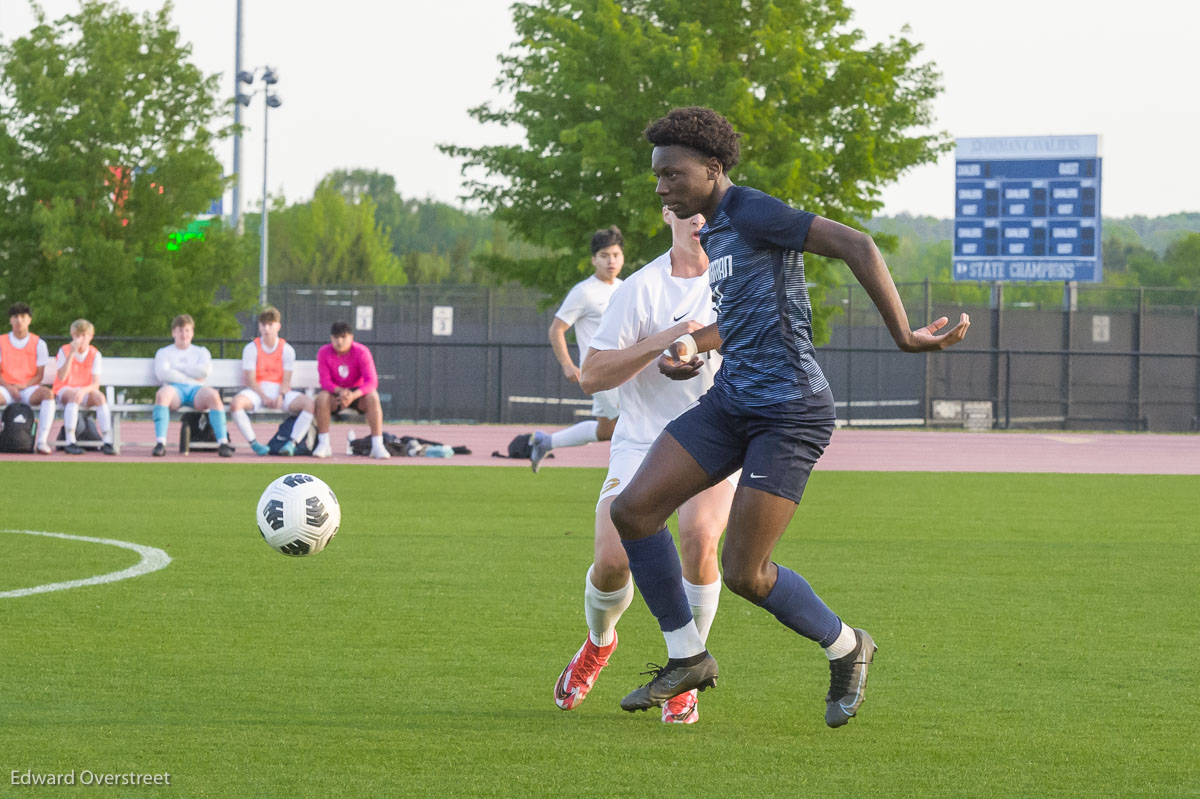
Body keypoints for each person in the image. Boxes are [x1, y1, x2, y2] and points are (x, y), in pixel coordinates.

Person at [609, 106, 971, 727]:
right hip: (731, 404)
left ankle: (849, 646)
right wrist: (696, 346)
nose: (661, 187)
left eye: (672, 174)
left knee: (745, 573)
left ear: (713, 169)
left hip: (790, 414)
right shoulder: (710, 228)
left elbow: (857, 244)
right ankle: (687, 656)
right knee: (633, 510)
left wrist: (906, 337)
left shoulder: (751, 209)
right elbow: (747, 313)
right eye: (657, 176)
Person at [553, 206, 735, 725]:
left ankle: (687, 669)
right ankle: (598, 643)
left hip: (715, 437)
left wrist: (698, 343)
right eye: (686, 209)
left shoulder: (738, 280)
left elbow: (753, 341)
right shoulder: (639, 287)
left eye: (709, 208)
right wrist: (665, 339)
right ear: (667, 212)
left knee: (699, 537)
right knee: (612, 562)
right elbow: (591, 376)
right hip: (641, 442)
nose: (699, 219)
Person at [528, 226, 625, 472]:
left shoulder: (626, 287)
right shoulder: (584, 292)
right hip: (602, 372)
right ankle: (634, 486)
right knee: (633, 424)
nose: (611, 261)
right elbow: (556, 329)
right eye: (604, 255)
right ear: (594, 259)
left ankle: (546, 441)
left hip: (624, 370)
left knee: (607, 430)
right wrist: (568, 365)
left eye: (615, 254)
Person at [228, 306, 316, 456]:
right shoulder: (251, 348)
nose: (266, 328)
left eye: (270, 324)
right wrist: (264, 397)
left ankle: (292, 443)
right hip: (257, 391)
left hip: (280, 392)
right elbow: (251, 380)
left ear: (278, 326)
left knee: (309, 404)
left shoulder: (287, 349)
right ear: (259, 326)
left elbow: (286, 379)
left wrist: (280, 396)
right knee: (236, 404)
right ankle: (254, 443)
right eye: (263, 324)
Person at [152, 314, 232, 457]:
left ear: (192, 332)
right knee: (162, 395)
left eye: (187, 330)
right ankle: (160, 443)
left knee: (213, 395)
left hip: (196, 390)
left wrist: (177, 369)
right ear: (173, 332)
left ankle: (223, 443)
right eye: (180, 330)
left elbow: (204, 371)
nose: (184, 334)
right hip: (175, 390)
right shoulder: (164, 352)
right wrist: (190, 373)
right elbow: (163, 374)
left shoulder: (201, 351)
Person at [313, 321, 388, 459]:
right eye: (336, 337)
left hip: (357, 395)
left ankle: (377, 445)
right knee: (322, 398)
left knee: (373, 397)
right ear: (331, 338)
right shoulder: (324, 352)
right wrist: (340, 391)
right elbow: (325, 381)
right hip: (335, 395)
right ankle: (324, 444)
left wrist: (353, 395)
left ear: (351, 337)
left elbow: (372, 381)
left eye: (343, 337)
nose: (339, 341)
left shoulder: (362, 352)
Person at [51, 319, 116, 455]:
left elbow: (95, 383)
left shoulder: (94, 354)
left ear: (90, 336)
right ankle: (70, 441)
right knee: (73, 397)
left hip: (85, 390)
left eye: (84, 335)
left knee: (100, 397)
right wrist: (72, 354)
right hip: (65, 389)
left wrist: (83, 390)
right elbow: (62, 377)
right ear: (72, 335)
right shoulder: (64, 350)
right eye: (77, 335)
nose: (80, 339)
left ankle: (107, 441)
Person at [0, 302, 57, 454]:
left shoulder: (39, 343)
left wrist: (24, 386)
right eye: (15, 317)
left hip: (28, 388)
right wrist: (10, 387)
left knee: (48, 394)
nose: (19, 320)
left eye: (23, 317)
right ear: (10, 320)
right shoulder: (1, 341)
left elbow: (39, 375)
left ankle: (42, 441)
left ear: (29, 320)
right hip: (6, 388)